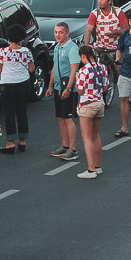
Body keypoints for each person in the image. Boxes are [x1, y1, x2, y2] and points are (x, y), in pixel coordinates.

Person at [0, 32, 35, 154]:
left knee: (9, 113)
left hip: (8, 84)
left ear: (8, 38)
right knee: (22, 112)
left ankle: (10, 142)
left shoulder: (3, 51)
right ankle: (22, 141)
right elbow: (31, 68)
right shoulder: (26, 51)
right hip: (23, 83)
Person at [74, 45, 110, 179]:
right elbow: (106, 87)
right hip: (100, 103)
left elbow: (80, 90)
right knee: (95, 136)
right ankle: (97, 166)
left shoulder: (83, 71)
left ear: (83, 56)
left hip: (87, 105)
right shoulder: (102, 67)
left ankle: (90, 170)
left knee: (86, 137)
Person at [49, 21, 81, 160]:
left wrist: (68, 87)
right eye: (56, 32)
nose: (58, 35)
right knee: (61, 118)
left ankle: (73, 149)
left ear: (67, 33)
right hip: (57, 87)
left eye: (61, 32)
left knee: (68, 118)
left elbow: (74, 69)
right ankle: (65, 145)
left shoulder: (72, 48)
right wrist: (50, 86)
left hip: (67, 88)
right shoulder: (57, 47)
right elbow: (54, 67)